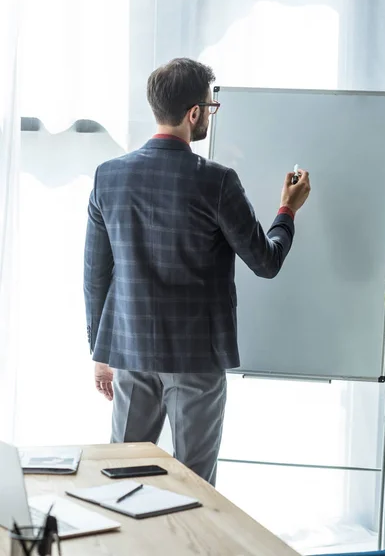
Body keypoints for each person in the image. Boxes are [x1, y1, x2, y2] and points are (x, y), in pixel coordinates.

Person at [84, 58, 310, 486]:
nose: (210, 112)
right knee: (193, 488)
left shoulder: (108, 177)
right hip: (196, 360)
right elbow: (266, 262)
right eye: (211, 105)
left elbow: (96, 274)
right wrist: (287, 210)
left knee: (121, 483)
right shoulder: (217, 182)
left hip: (130, 353)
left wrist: (100, 353)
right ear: (194, 114)